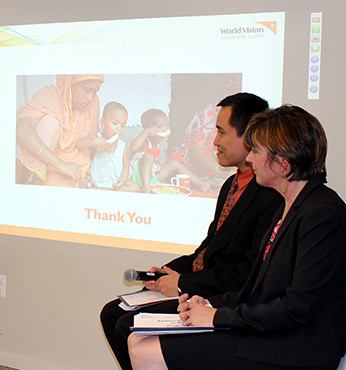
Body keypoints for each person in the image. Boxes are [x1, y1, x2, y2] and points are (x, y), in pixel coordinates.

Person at [129, 105, 346, 370]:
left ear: (282, 163)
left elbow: (296, 308)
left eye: (255, 151)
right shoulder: (287, 206)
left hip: (297, 345)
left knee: (147, 351)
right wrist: (208, 304)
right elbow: (257, 290)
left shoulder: (322, 214)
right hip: (272, 332)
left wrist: (217, 317)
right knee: (137, 340)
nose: (250, 159)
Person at [100, 93, 279, 370]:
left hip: (219, 298)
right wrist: (166, 273)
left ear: (249, 136)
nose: (214, 142)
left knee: (128, 324)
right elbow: (208, 250)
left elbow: (246, 274)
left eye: (220, 132)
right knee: (112, 313)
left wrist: (183, 283)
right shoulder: (231, 184)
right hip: (201, 284)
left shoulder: (269, 195)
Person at [16, 74, 105, 187]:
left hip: (73, 166)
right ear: (70, 83)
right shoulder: (50, 96)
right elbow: (22, 130)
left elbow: (89, 149)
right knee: (50, 122)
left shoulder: (94, 102)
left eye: (95, 92)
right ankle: (33, 178)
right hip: (46, 161)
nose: (90, 98)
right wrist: (59, 163)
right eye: (87, 90)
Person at [129, 109, 211, 193]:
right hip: (139, 178)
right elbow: (133, 148)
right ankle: (146, 189)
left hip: (152, 178)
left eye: (167, 125)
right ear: (149, 129)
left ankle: (201, 184)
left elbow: (155, 160)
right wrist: (145, 132)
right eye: (160, 127)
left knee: (173, 163)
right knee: (149, 156)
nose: (165, 129)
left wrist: (158, 164)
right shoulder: (146, 142)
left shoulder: (157, 143)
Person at [89, 102, 137, 191]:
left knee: (135, 187)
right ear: (103, 124)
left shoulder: (122, 146)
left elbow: (126, 165)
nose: (119, 128)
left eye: (123, 125)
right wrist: (94, 142)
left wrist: (123, 178)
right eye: (115, 123)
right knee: (82, 183)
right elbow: (79, 143)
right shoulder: (97, 138)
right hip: (95, 183)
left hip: (114, 185)